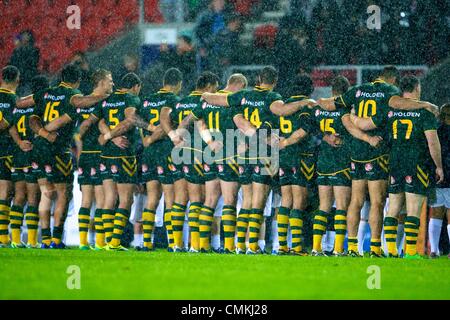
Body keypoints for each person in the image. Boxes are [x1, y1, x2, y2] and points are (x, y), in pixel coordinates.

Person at [318, 66, 439, 257]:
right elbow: (401, 104)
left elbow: (331, 106)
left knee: (355, 201)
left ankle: (351, 247)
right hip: (377, 151)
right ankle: (375, 248)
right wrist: (425, 104)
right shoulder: (389, 91)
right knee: (377, 202)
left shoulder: (358, 90)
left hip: (355, 152)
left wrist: (317, 104)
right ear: (393, 80)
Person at [201, 66, 315, 254]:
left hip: (244, 154)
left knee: (246, 200)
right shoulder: (271, 97)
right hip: (263, 153)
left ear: (259, 78)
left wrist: (205, 95)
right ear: (274, 81)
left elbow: (222, 102)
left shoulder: (243, 95)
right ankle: (252, 245)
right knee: (258, 202)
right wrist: (303, 102)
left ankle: (240, 245)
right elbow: (283, 110)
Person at [16, 64, 110, 249]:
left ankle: (44, 240)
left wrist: (42, 132)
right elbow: (83, 102)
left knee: (45, 194)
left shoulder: (45, 93)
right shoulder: (72, 95)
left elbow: (21, 105)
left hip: (39, 149)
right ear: (77, 81)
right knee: (62, 195)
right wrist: (106, 96)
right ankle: (56, 240)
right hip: (58, 150)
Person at [352, 76, 443, 259]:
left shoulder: (391, 111)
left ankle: (390, 249)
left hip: (394, 162)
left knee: (393, 208)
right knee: (413, 209)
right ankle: (410, 252)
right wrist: (439, 166)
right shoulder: (425, 112)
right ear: (417, 88)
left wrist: (352, 115)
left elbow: (370, 126)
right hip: (416, 163)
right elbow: (432, 142)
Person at [180, 73, 255, 253]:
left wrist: (209, 142)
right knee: (230, 200)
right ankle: (229, 246)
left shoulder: (207, 101)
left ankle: (199, 245)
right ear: (239, 85)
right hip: (229, 153)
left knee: (210, 199)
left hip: (211, 154)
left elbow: (199, 123)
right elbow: (241, 125)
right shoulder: (231, 102)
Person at [160, 72, 219, 252]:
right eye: (215, 87)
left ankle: (176, 244)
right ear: (209, 86)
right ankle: (195, 245)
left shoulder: (180, 101)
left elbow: (164, 117)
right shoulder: (205, 102)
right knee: (197, 199)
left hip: (177, 153)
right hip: (197, 152)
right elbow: (203, 125)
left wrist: (173, 136)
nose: (215, 91)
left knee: (179, 199)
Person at [93, 73, 142, 251]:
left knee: (109, 197)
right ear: (136, 86)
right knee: (125, 199)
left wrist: (108, 137)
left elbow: (100, 122)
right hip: (124, 152)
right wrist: (113, 136)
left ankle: (107, 241)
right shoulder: (130, 98)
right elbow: (129, 121)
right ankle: (114, 242)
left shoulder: (107, 99)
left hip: (106, 153)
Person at [139, 68, 183, 251]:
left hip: (148, 154)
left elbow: (140, 124)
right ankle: (173, 243)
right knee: (170, 199)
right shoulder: (173, 100)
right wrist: (153, 138)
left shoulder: (147, 100)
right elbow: (166, 125)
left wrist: (146, 140)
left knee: (152, 198)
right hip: (166, 151)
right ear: (178, 84)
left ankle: (146, 242)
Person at [75, 69, 114, 250]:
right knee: (101, 199)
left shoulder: (82, 101)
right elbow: (100, 124)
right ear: (100, 82)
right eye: (109, 80)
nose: (112, 84)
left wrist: (78, 154)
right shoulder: (104, 103)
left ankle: (83, 242)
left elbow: (77, 132)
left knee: (86, 200)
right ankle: (99, 242)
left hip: (84, 155)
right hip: (99, 154)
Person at [8, 75, 49, 248]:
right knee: (33, 198)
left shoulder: (17, 108)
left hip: (18, 154)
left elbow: (10, 127)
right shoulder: (40, 106)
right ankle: (32, 241)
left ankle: (15, 240)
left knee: (18, 197)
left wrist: (18, 143)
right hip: (33, 152)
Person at [0, 66, 20, 246]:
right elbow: (6, 123)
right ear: (17, 80)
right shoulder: (13, 99)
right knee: (6, 193)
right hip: (6, 150)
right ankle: (3, 237)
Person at [428, 103, 450, 258]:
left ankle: (434, 250)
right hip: (447, 175)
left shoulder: (436, 131)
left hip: (437, 174)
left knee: (436, 213)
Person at [9, 31, 39, 96]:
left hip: (28, 80)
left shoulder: (34, 50)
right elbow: (12, 63)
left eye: (25, 36)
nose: (23, 38)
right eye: (22, 36)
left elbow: (30, 64)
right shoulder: (16, 51)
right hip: (18, 80)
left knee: (25, 97)